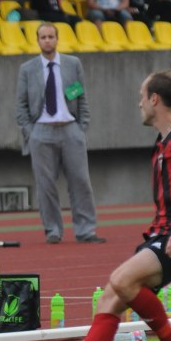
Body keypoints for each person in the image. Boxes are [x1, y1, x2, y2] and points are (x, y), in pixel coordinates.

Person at [31, 70, 171, 341]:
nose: (139, 103)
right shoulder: (165, 141)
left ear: (155, 99)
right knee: (109, 299)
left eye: (142, 96)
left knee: (120, 280)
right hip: (164, 235)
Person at [15, 23, 104, 244]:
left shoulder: (73, 64)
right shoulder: (27, 69)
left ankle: (85, 230)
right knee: (46, 185)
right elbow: (21, 105)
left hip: (70, 128)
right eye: (43, 37)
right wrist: (30, 132)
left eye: (51, 36)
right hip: (41, 131)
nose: (47, 40)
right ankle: (53, 230)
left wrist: (81, 127)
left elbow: (81, 97)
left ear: (57, 38)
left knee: (81, 181)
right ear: (37, 40)